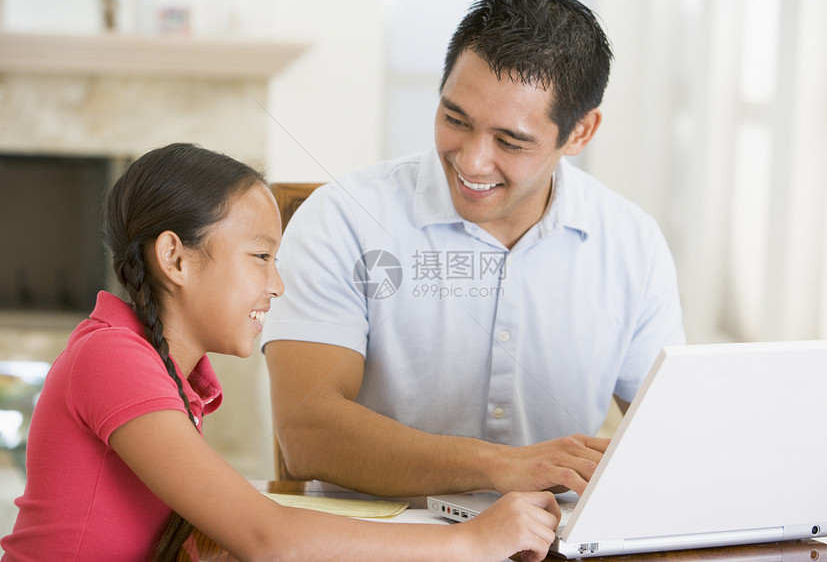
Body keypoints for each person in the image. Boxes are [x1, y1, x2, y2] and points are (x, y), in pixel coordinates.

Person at [0, 143, 562, 562]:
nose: (278, 285)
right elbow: (266, 537)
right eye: (260, 256)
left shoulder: (167, 369)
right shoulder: (113, 360)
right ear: (175, 258)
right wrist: (470, 542)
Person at [262, 0, 685, 498]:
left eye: (510, 142)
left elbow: (677, 436)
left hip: (553, 543)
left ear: (579, 133)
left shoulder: (631, 243)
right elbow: (308, 436)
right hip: (387, 543)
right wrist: (503, 467)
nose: (472, 161)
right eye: (455, 120)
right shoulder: (344, 218)